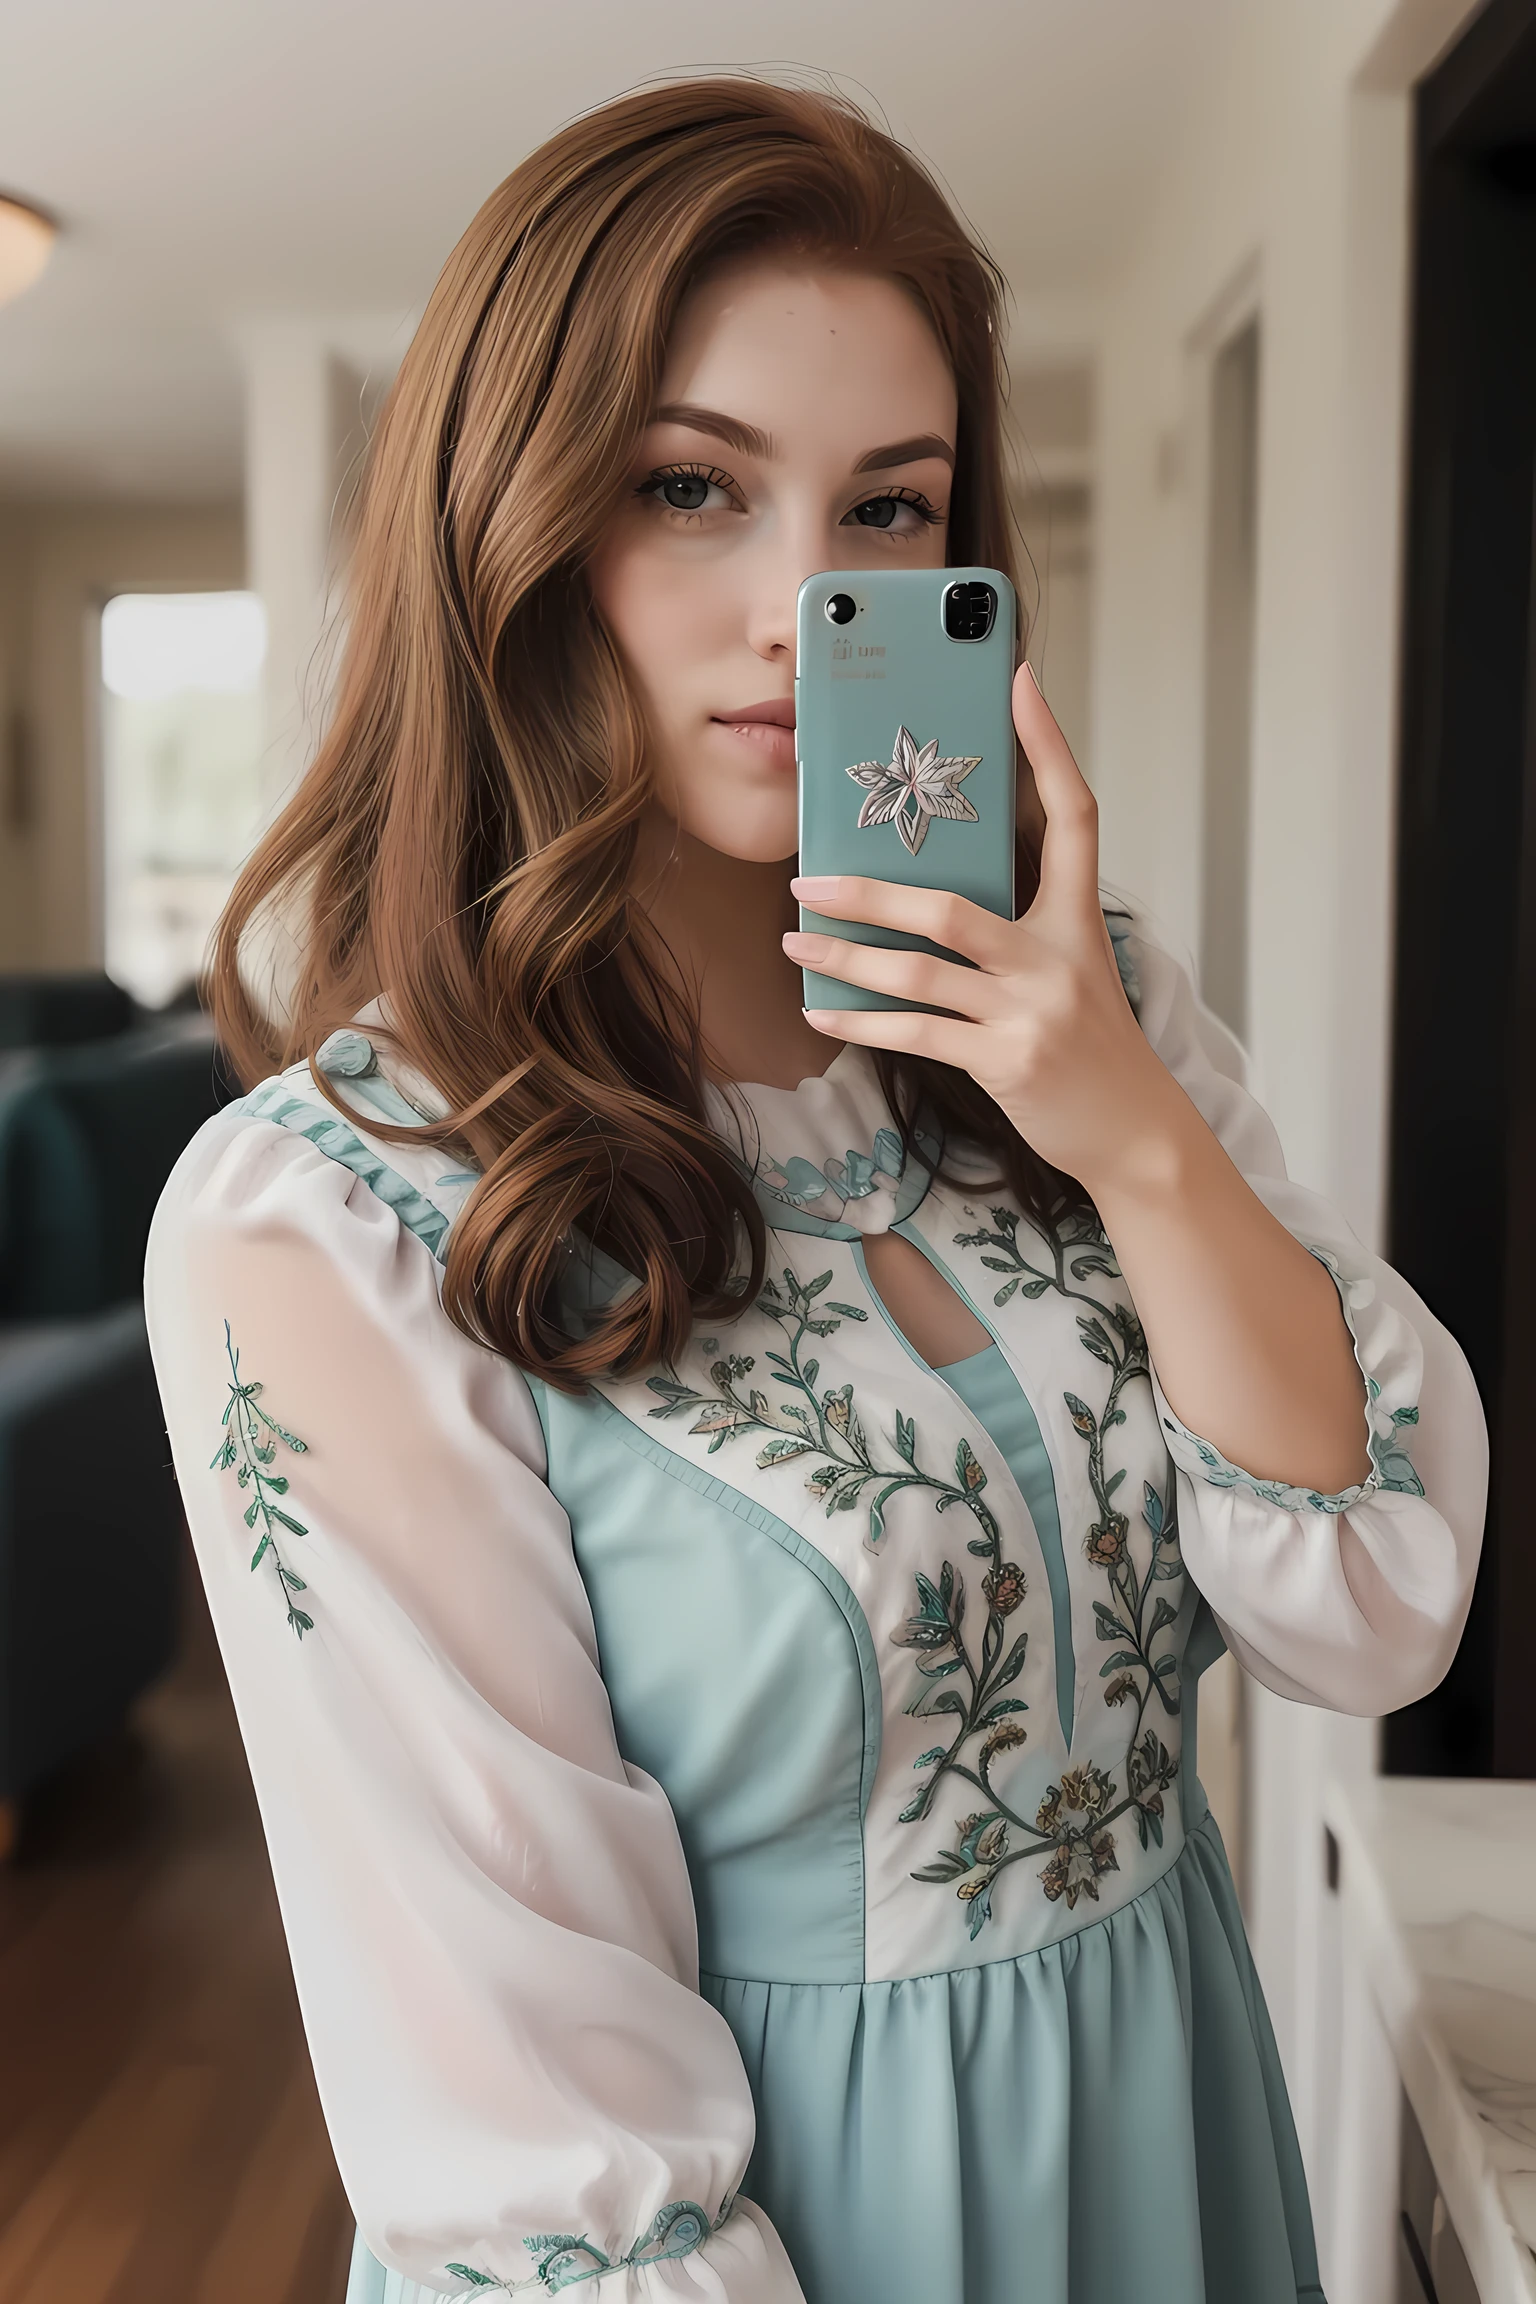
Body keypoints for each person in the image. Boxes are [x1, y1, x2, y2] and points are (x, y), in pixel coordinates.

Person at [146, 79, 1487, 2304]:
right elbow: (523, 2114)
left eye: (893, 507)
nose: (809, 604)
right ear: (512, 520)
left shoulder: (1082, 1002)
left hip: (1183, 2149)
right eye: (692, 487)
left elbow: (1370, 1611)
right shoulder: (333, 1228)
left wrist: (1130, 1125)